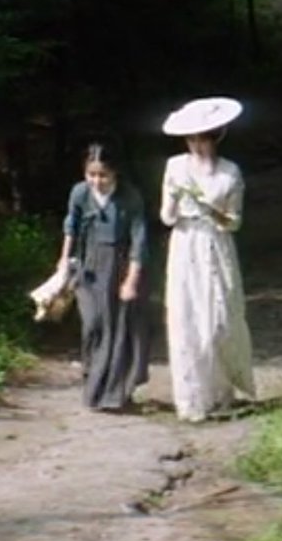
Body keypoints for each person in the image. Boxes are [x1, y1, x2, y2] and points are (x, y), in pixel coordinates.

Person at [158, 97, 255, 422]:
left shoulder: (229, 172)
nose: (197, 145)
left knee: (218, 317)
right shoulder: (175, 167)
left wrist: (213, 210)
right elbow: (166, 218)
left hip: (215, 243)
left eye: (203, 138)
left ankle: (222, 391)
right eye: (191, 139)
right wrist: (173, 198)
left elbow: (235, 222)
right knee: (187, 318)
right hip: (185, 243)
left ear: (215, 138)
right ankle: (192, 398)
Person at [57, 141, 150, 412]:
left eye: (103, 175)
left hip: (120, 265)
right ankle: (93, 380)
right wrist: (64, 260)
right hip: (88, 265)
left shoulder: (130, 197)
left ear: (115, 173)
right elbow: (71, 226)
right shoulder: (79, 193)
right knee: (93, 324)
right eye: (91, 175)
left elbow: (139, 240)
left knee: (119, 327)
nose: (97, 181)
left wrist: (131, 280)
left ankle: (116, 394)